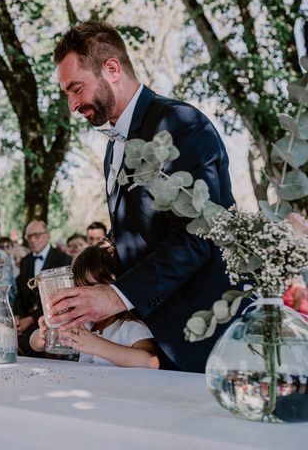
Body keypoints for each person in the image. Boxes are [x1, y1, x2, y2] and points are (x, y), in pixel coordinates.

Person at [51, 21, 235, 373]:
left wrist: (114, 296)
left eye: (77, 88)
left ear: (112, 69)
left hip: (198, 337)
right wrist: (80, 303)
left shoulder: (180, 123)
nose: (73, 104)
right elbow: (137, 238)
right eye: (67, 94)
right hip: (152, 334)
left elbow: (201, 235)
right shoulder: (112, 150)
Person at [29, 241, 159, 369]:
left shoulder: (130, 327)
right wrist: (41, 337)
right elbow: (33, 343)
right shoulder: (84, 324)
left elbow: (151, 362)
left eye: (92, 289)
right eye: (79, 290)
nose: (84, 300)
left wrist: (96, 345)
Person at [14, 220, 72, 357]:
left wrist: (31, 319)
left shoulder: (64, 260)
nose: (33, 239)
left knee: (28, 344)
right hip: (25, 320)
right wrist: (17, 317)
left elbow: (61, 298)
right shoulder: (25, 261)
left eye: (37, 235)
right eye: (29, 236)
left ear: (47, 235)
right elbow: (21, 294)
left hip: (52, 320)